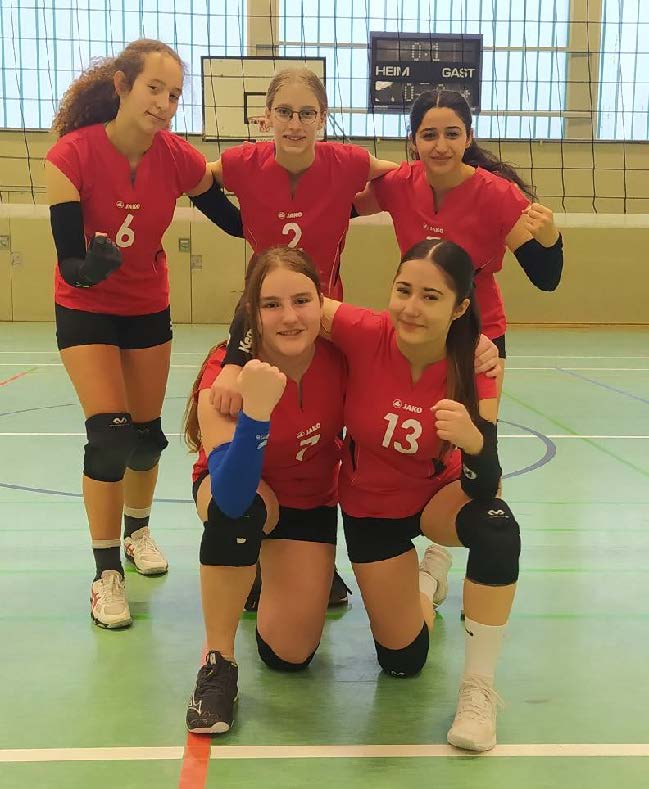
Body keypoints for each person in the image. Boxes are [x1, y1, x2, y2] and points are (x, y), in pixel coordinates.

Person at [44, 38, 243, 629]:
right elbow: (70, 264)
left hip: (146, 306)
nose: (164, 103)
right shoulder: (70, 156)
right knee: (109, 434)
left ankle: (138, 532)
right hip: (85, 307)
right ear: (122, 87)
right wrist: (92, 267)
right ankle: (106, 572)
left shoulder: (176, 158)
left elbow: (234, 219)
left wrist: (304, 208)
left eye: (174, 94)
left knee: (146, 438)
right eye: (154, 88)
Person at [209, 65, 400, 608]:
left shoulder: (348, 162)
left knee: (328, 436)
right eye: (285, 112)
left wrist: (353, 206)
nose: (295, 123)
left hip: (326, 319)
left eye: (307, 113)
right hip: (265, 318)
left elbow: (404, 178)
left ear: (323, 118)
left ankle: (322, 556)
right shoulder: (242, 163)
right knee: (258, 419)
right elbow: (193, 178)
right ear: (266, 117)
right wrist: (231, 220)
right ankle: (254, 549)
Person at [320, 238, 520, 752]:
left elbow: (483, 482)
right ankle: (428, 581)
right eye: (403, 290)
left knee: (497, 525)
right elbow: (272, 301)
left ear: (459, 308)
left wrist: (475, 441)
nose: (411, 307)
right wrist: (234, 363)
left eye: (431, 297)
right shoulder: (364, 330)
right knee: (403, 662)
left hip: (439, 497)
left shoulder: (475, 365)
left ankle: (478, 688)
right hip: (371, 508)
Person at [183, 246, 347, 733]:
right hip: (242, 490)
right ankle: (219, 664)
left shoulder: (342, 356)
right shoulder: (225, 373)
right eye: (272, 305)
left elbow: (407, 335)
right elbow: (232, 495)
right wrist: (255, 414)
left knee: (289, 656)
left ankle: (262, 571)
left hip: (310, 498)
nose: (289, 317)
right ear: (251, 314)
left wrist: (473, 345)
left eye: (301, 301)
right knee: (241, 512)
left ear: (322, 303)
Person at [354, 89, 563, 366]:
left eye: (452, 134)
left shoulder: (498, 195)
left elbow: (547, 279)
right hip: (416, 325)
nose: (441, 146)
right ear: (413, 140)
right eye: (429, 135)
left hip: (479, 334)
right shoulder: (398, 183)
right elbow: (334, 209)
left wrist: (551, 241)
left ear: (468, 138)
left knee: (472, 398)